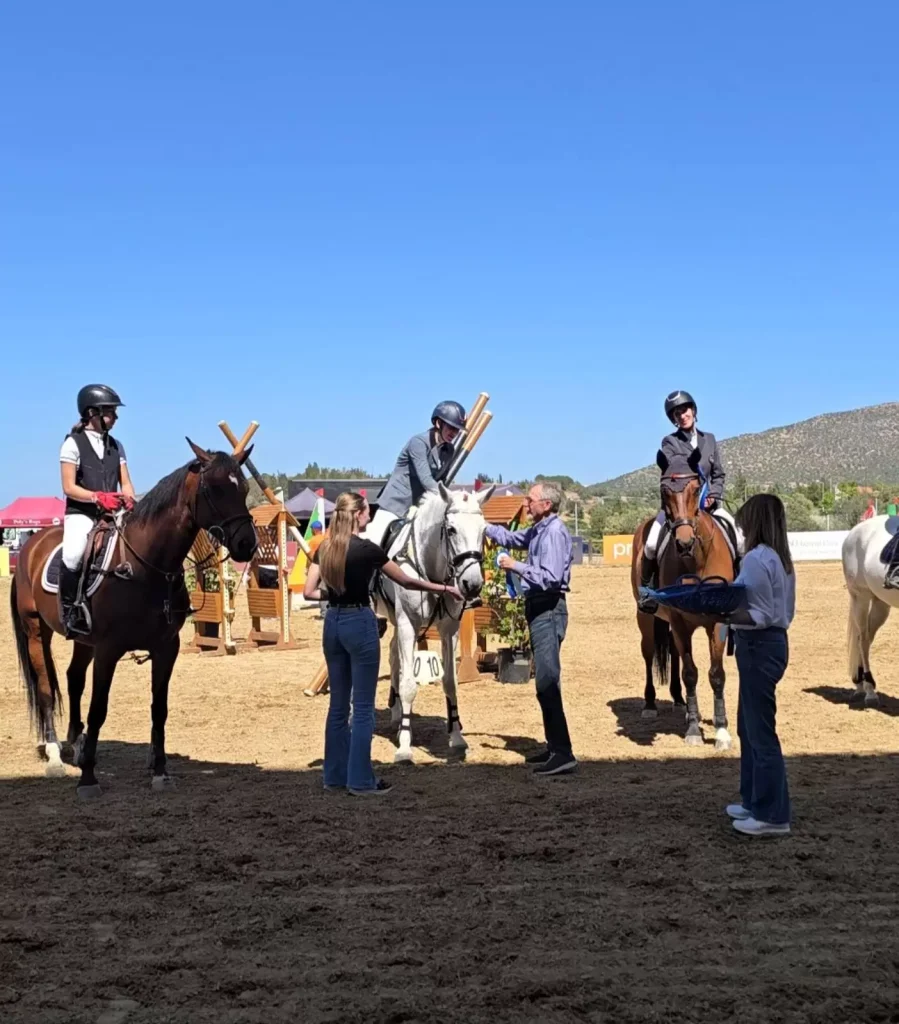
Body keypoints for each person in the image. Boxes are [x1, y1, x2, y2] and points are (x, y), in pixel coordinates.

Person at [304, 492, 463, 796]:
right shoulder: (368, 550)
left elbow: (309, 592)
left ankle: (334, 776)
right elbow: (407, 581)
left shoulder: (324, 547)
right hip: (359, 621)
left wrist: (334, 595)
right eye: (366, 513)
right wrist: (444, 587)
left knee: (338, 706)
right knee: (363, 707)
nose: (369, 517)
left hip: (333, 623)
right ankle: (361, 780)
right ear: (358, 515)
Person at [485, 481, 576, 777]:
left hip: (548, 608)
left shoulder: (553, 533)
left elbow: (549, 577)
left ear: (546, 505)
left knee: (547, 680)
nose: (526, 503)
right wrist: (482, 526)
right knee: (545, 681)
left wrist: (516, 566)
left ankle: (562, 753)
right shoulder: (539, 530)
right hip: (539, 609)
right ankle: (554, 747)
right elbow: (512, 538)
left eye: (531, 499)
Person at [725, 493, 795, 837]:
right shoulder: (782, 560)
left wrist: (720, 612)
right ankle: (754, 800)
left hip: (757, 645)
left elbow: (759, 614)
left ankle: (772, 814)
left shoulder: (755, 559)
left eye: (742, 525)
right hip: (774, 644)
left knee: (760, 733)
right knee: (747, 727)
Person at [638, 390, 742, 612]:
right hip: (679, 507)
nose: (682, 415)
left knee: (740, 539)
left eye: (684, 410)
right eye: (676, 413)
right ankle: (647, 592)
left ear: (693, 410)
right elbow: (674, 468)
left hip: (710, 506)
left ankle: (739, 588)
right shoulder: (670, 442)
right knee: (650, 544)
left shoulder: (710, 440)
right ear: (673, 419)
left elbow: (718, 474)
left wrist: (713, 493)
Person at [59, 384, 135, 637]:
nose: (115, 417)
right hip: (82, 513)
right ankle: (70, 611)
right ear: (92, 413)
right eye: (110, 412)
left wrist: (130, 498)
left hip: (113, 513)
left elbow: (125, 482)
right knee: (73, 554)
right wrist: (97, 497)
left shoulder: (117, 446)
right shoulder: (72, 444)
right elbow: (69, 487)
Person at [362, 400, 466, 548]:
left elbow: (441, 482)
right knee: (374, 544)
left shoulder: (449, 451)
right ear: (438, 423)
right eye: (451, 427)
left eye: (457, 430)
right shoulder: (418, 443)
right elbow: (426, 480)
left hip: (419, 509)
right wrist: (453, 496)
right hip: (394, 505)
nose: (454, 433)